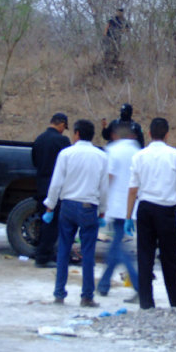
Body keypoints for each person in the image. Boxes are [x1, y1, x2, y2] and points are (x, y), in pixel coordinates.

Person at [125, 117, 176, 309]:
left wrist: (128, 216)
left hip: (145, 210)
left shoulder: (139, 156)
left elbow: (132, 190)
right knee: (169, 258)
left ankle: (146, 302)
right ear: (167, 134)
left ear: (149, 133)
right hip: (167, 211)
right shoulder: (175, 155)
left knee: (145, 257)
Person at [43, 119, 108, 307]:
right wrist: (103, 211)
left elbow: (56, 183)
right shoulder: (101, 156)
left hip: (68, 206)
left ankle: (59, 293)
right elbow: (104, 187)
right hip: (89, 206)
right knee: (88, 252)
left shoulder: (66, 154)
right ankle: (87, 296)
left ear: (77, 133)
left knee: (63, 249)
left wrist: (50, 206)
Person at [97, 129, 140, 301]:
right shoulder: (136, 150)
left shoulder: (113, 150)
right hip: (130, 205)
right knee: (116, 246)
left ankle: (138, 285)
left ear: (115, 135)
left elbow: (109, 178)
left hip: (115, 205)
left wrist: (101, 202)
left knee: (118, 248)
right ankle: (104, 284)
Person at [31, 113, 71, 268]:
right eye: (64, 127)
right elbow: (68, 163)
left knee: (43, 220)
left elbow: (34, 160)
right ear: (61, 124)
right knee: (52, 224)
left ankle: (40, 251)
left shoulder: (39, 139)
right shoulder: (62, 141)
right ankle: (43, 257)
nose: (63, 130)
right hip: (55, 187)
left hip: (40, 184)